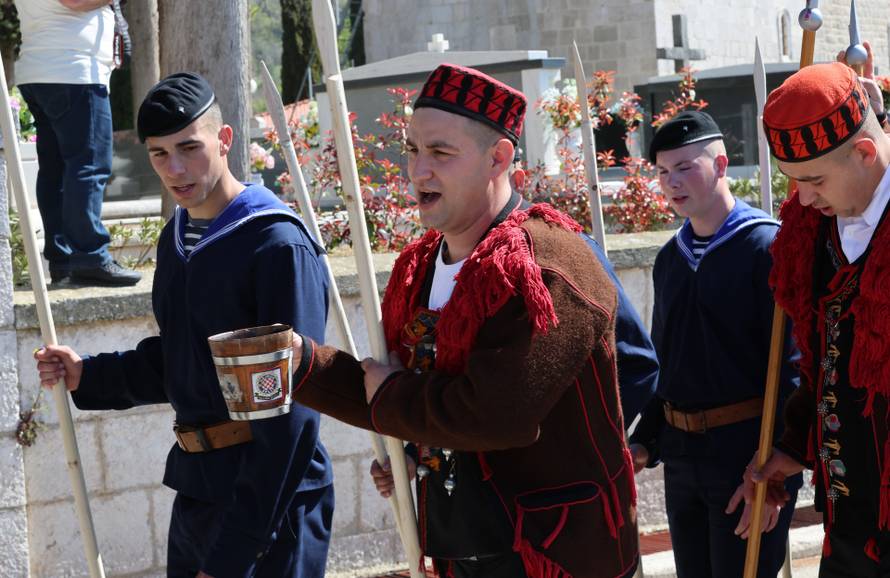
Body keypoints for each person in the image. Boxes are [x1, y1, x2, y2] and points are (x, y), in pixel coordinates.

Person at [290, 63, 640, 578]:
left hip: (550, 555)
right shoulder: (419, 267)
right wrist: (300, 365)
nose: (417, 170)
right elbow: (405, 390)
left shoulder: (544, 265)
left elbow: (494, 414)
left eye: (440, 152)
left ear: (498, 157)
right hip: (462, 548)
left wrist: (397, 405)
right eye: (412, 149)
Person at [34, 73, 333, 578]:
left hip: (268, 508)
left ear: (225, 139)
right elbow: (180, 358)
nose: (174, 169)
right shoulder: (179, 236)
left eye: (189, 147)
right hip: (199, 489)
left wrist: (234, 553)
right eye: (158, 153)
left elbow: (291, 412)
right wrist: (90, 374)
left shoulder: (276, 243)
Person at [628, 111, 802, 577]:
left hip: (746, 461)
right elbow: (666, 366)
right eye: (663, 172)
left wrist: (775, 475)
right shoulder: (670, 260)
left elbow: (793, 370)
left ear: (722, 164)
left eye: (686, 166)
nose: (672, 182)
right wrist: (644, 443)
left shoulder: (766, 248)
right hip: (683, 461)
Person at [734, 62, 890, 576]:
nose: (801, 199)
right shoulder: (815, 232)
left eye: (814, 179)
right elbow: (828, 361)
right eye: (793, 181)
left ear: (866, 153)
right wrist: (795, 447)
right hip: (850, 520)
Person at [509, 149, 658, 423]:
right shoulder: (436, 256)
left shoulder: (567, 249)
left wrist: (589, 448)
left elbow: (637, 363)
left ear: (516, 180)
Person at [14, 0, 141, 286]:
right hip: (73, 70)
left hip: (41, 68)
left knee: (55, 170)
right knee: (89, 166)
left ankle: (63, 260)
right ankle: (90, 257)